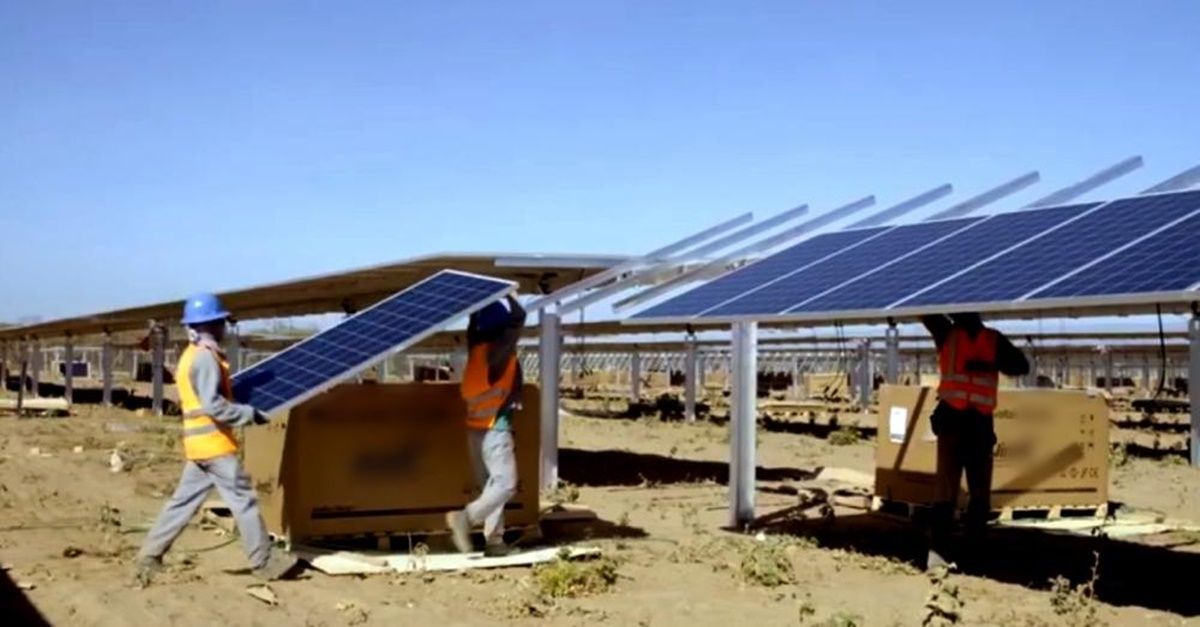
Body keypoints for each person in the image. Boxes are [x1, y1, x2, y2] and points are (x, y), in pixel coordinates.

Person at [135, 293, 299, 585]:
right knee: (244, 501)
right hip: (214, 446)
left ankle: (149, 555)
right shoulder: (205, 359)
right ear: (210, 325)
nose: (224, 328)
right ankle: (264, 562)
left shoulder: (191, 356)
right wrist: (249, 415)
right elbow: (212, 404)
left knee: (182, 503)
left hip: (198, 446)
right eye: (221, 322)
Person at [921, 312, 1029, 570]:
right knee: (975, 490)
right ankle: (961, 553)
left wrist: (986, 362)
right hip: (974, 421)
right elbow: (1020, 366)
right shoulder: (992, 340)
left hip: (961, 421)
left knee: (951, 487)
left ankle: (945, 552)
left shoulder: (948, 332)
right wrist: (988, 362)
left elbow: (1020, 367)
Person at [445, 293, 526, 557]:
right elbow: (518, 319)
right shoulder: (497, 353)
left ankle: (495, 543)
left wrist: (475, 306)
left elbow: (473, 328)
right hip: (495, 427)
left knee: (490, 489)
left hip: (475, 428)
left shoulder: (476, 349)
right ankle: (464, 519)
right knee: (505, 485)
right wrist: (510, 296)